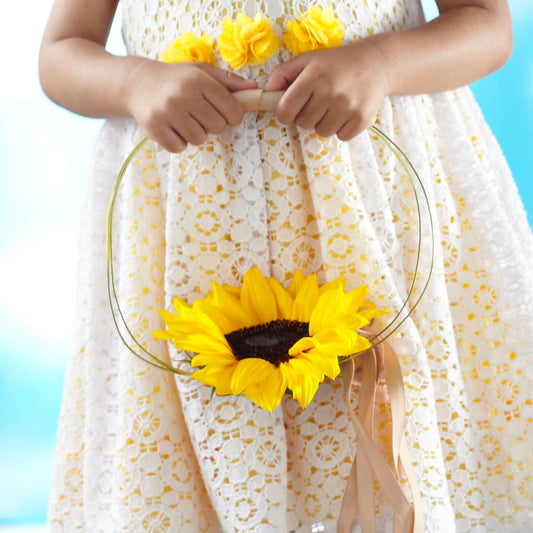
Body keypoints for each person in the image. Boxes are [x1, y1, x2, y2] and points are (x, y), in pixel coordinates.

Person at [39, 0, 533, 531]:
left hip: (375, 208)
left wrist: (380, 64)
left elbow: (486, 22)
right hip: (195, 226)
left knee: (392, 430)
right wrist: (136, 81)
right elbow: (61, 54)